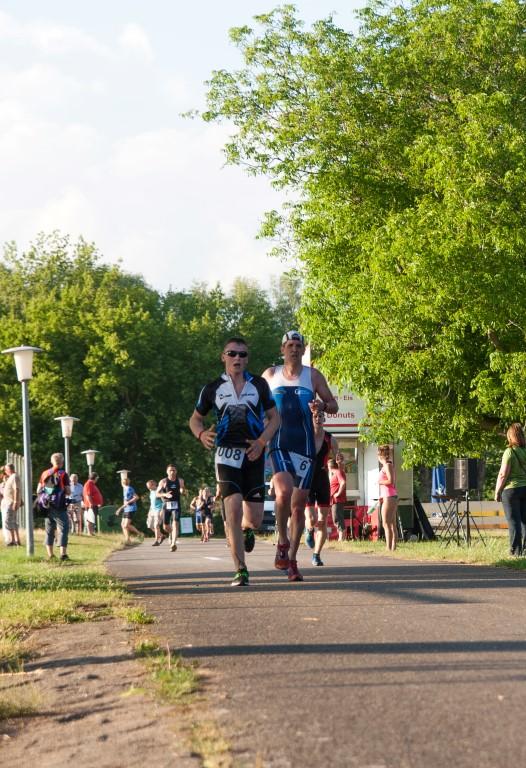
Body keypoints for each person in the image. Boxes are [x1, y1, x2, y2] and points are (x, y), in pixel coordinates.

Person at [189, 336, 280, 586]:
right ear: (223, 357)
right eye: (232, 353)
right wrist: (201, 434)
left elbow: (275, 418)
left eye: (242, 354)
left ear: (247, 359)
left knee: (255, 518)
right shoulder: (212, 388)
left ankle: (247, 529)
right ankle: (241, 569)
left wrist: (261, 442)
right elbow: (195, 419)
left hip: (253, 453)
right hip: (226, 454)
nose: (237, 358)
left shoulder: (259, 385)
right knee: (233, 507)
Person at [262, 330, 338, 581]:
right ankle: (282, 540)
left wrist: (322, 406)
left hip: (305, 446)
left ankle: (292, 560)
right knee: (283, 491)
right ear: (282, 349)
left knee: (298, 506)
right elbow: (255, 403)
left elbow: (333, 405)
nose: (294, 349)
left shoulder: (312, 375)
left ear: (303, 350)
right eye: (290, 345)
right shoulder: (270, 375)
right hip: (279, 442)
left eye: (298, 345)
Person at [304, 412, 339, 565]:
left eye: (320, 416)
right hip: (308, 480)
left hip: (323, 480)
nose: (318, 419)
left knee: (323, 520)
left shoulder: (330, 439)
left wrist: (339, 462)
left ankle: (316, 555)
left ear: (324, 419)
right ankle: (309, 530)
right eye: (315, 416)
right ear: (311, 418)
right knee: (312, 519)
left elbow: (338, 458)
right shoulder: (306, 436)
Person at [494, 423, 526, 556]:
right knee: (525, 521)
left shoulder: (509, 452)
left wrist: (497, 491)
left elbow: (503, 474)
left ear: (510, 437)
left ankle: (516, 552)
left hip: (511, 490)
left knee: (514, 522)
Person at [37, 452, 71, 561]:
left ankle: (50, 555)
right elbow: (68, 491)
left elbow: (38, 490)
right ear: (62, 462)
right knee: (64, 528)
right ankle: (63, 554)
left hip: (46, 506)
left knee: (49, 530)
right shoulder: (63, 474)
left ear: (52, 462)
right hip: (59, 506)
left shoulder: (45, 473)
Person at [157, 465, 186, 552]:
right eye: (170, 470)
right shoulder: (163, 481)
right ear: (167, 472)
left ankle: (173, 543)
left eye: (173, 470)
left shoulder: (180, 480)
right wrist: (164, 494)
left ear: (176, 471)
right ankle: (171, 534)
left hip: (176, 505)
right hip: (166, 505)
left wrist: (182, 491)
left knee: (175, 523)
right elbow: (157, 494)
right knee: (165, 527)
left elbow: (182, 489)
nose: (172, 472)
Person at [378, 445, 398, 551]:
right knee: (392, 524)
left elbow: (391, 481)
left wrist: (380, 482)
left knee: (386, 523)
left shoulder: (387, 465)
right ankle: (392, 548)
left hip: (389, 496)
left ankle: (388, 547)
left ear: (380, 455)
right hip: (389, 496)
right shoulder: (388, 465)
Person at [115, 476, 142, 543]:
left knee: (126, 525)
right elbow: (125, 502)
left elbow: (136, 497)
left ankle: (139, 534)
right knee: (123, 525)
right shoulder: (125, 489)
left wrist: (128, 502)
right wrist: (120, 509)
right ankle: (127, 539)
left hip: (131, 509)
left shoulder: (129, 488)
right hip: (126, 509)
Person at [1, 463, 22, 546]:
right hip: (10, 502)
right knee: (12, 521)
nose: (5, 472)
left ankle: (12, 540)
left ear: (9, 469)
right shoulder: (12, 477)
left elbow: (16, 489)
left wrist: (16, 501)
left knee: (8, 521)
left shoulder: (14, 477)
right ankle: (16, 540)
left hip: (11, 503)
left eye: (6, 470)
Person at [330, 452, 348, 543]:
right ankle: (341, 537)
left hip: (338, 499)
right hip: (334, 500)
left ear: (330, 466)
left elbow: (343, 483)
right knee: (336, 518)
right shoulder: (336, 473)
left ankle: (342, 538)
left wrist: (338, 493)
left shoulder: (338, 472)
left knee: (337, 518)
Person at [146, 479, 165, 545]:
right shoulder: (151, 491)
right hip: (152, 510)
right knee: (150, 525)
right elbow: (152, 502)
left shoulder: (159, 491)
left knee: (156, 525)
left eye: (149, 486)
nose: (148, 488)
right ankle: (162, 536)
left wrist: (162, 510)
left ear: (154, 485)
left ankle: (156, 541)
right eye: (147, 486)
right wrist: (149, 511)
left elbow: (164, 502)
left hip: (158, 510)